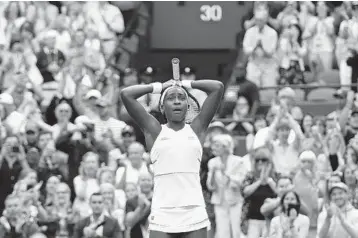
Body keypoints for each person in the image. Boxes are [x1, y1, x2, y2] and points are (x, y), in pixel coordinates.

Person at [120, 75, 224, 238]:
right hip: (162, 213)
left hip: (194, 212)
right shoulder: (154, 130)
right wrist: (159, 86)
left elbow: (217, 87)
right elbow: (126, 94)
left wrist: (185, 84)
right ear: (162, 107)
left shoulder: (197, 128)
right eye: (171, 98)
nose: (176, 101)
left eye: (181, 98)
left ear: (187, 106)